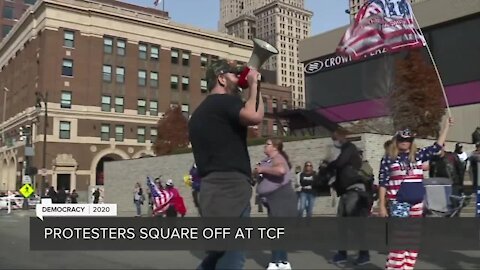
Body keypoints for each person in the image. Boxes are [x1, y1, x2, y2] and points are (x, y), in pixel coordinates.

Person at [188, 58, 264, 270]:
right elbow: (255, 115)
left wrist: (254, 87)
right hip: (231, 189)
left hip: (210, 191)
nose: (238, 79)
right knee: (233, 258)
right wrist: (255, 85)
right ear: (221, 79)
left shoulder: (198, 114)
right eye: (233, 75)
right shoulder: (224, 102)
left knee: (217, 254)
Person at [378, 117, 452, 270]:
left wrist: (446, 127)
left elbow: (437, 146)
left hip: (417, 203)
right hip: (399, 202)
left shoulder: (418, 155)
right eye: (402, 140)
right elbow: (383, 182)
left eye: (408, 140)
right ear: (396, 141)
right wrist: (382, 206)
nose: (405, 142)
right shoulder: (389, 159)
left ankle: (407, 267)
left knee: (413, 239)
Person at [327, 127, 371, 267]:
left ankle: (364, 254)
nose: (334, 142)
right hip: (346, 192)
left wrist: (329, 164)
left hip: (355, 191)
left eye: (335, 139)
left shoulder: (349, 148)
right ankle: (342, 253)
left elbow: (340, 163)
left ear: (341, 137)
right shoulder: (343, 151)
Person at [254, 138, 297, 270]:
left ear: (275, 147)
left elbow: (281, 171)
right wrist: (257, 171)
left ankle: (275, 262)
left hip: (280, 197)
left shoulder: (278, 158)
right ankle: (283, 262)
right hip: (271, 199)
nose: (265, 146)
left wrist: (262, 169)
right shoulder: (266, 160)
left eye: (267, 144)